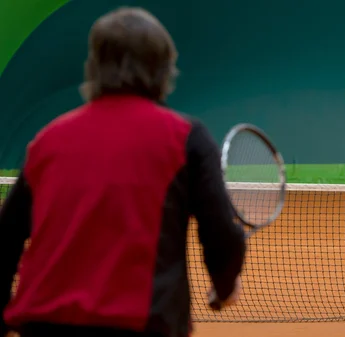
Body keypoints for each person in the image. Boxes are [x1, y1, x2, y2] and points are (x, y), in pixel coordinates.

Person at [0, 7, 246, 337]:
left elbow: (5, 243)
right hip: (142, 324)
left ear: (94, 69)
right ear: (163, 71)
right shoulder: (187, 138)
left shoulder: (47, 141)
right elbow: (222, 237)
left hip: (45, 324)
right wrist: (225, 286)